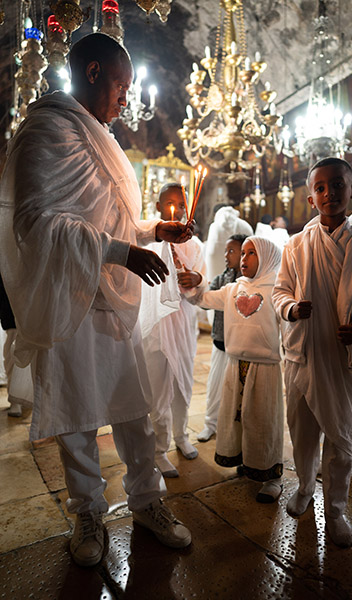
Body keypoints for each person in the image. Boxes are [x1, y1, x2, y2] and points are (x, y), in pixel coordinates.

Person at [0, 33, 194, 567]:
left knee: (135, 411)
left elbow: (119, 222)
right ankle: (87, 513)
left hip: (113, 295)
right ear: (91, 73)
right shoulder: (46, 128)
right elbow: (34, 222)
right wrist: (119, 252)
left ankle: (149, 501)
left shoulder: (102, 138)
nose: (126, 97)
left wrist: (156, 231)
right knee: (77, 415)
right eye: (121, 84)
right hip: (69, 294)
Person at [272, 157, 352, 548]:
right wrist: (291, 308)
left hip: (341, 359)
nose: (329, 194)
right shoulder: (295, 245)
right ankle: (305, 487)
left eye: (337, 185)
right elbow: (280, 291)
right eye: (320, 188)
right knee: (302, 432)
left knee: (340, 439)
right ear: (310, 199)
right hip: (302, 354)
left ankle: (337, 509)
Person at [183, 237, 284, 503]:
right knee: (238, 417)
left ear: (267, 257)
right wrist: (195, 283)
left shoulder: (278, 289)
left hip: (264, 367)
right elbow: (204, 299)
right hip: (235, 363)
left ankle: (271, 476)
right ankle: (248, 462)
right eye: (244, 253)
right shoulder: (233, 289)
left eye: (252, 253)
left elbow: (290, 322)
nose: (243, 258)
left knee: (263, 419)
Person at [140, 183, 206, 477]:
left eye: (180, 204)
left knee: (183, 382)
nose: (176, 209)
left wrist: (197, 278)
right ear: (157, 207)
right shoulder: (147, 242)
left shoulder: (195, 245)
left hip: (183, 321)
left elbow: (202, 284)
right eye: (168, 203)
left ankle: (181, 436)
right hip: (157, 324)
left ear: (187, 207)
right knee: (159, 386)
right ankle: (158, 449)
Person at [197, 234, 248, 442]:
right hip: (221, 342)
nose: (226, 255)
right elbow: (205, 301)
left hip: (241, 345)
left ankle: (233, 429)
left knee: (238, 392)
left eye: (232, 251)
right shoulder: (222, 278)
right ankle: (210, 423)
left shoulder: (249, 282)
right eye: (226, 250)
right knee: (215, 385)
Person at [0, 274, 33, 417]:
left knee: (25, 352)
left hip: (27, 297)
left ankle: (23, 399)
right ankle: (17, 400)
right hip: (11, 298)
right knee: (14, 349)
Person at [205, 205, 253, 282]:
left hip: (214, 269)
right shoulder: (245, 225)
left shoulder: (214, 226)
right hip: (241, 271)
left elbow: (210, 252)